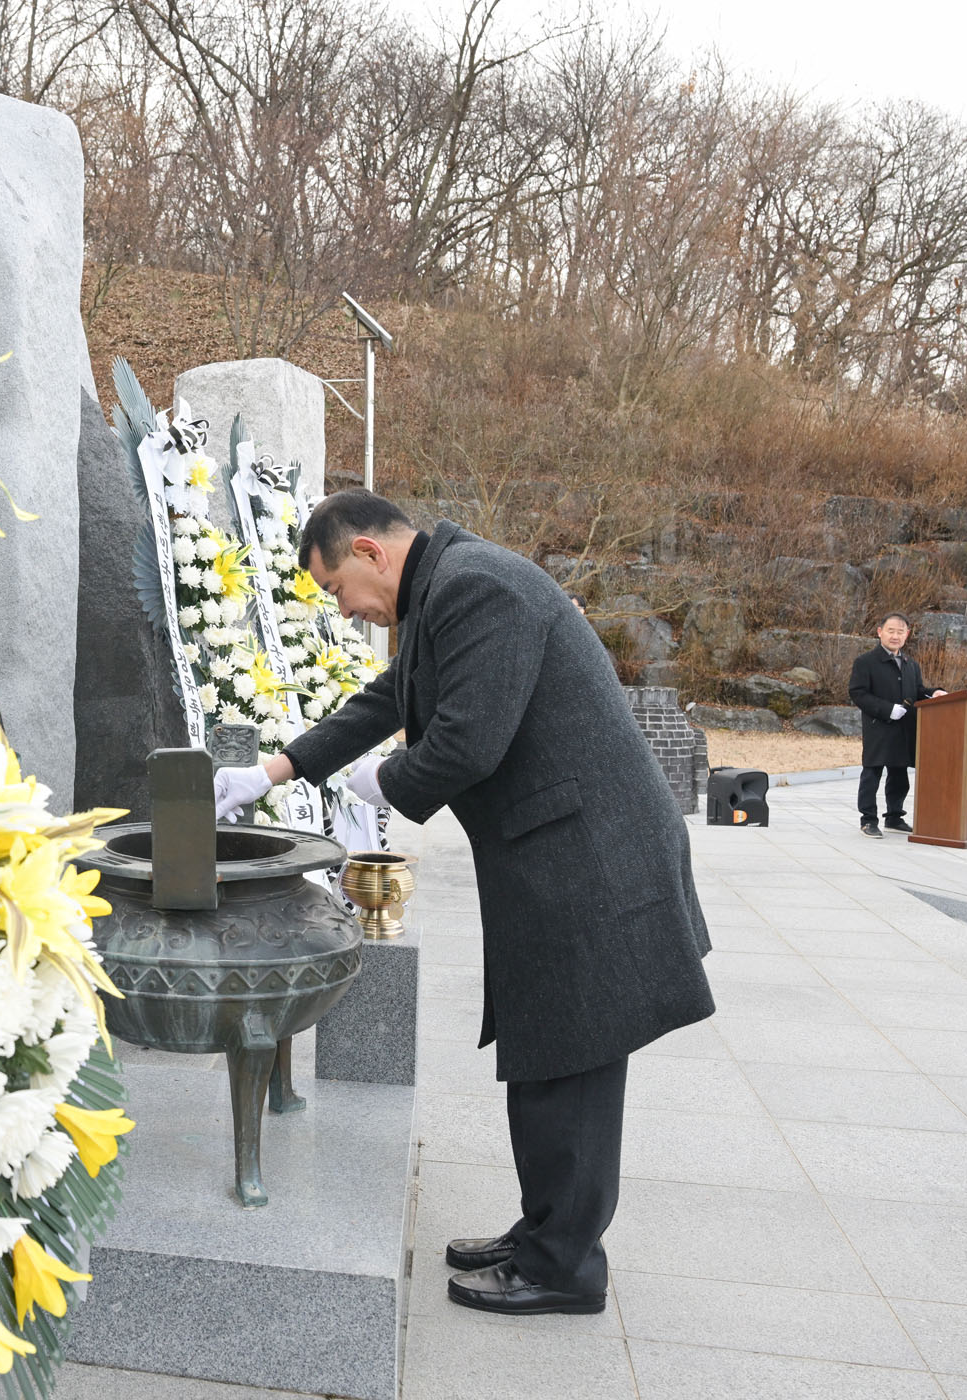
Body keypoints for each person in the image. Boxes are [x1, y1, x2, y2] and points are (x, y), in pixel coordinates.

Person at [212, 490, 713, 1317]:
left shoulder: (476, 586)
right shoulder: (446, 588)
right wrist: (274, 771)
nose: (344, 611)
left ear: (370, 553)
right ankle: (545, 1230)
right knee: (546, 1046)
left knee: (576, 1057)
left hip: (591, 857)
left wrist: (386, 780)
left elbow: (469, 741)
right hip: (558, 852)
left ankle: (566, 1266)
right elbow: (386, 702)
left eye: (337, 590)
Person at [847, 614, 944, 838]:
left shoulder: (911, 664)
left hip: (904, 727)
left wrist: (934, 692)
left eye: (900, 632)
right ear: (879, 631)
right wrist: (886, 709)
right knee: (872, 773)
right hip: (879, 726)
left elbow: (918, 691)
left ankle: (894, 817)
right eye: (891, 631)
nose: (895, 636)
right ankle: (868, 820)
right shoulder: (865, 662)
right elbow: (858, 693)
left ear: (907, 635)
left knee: (899, 774)